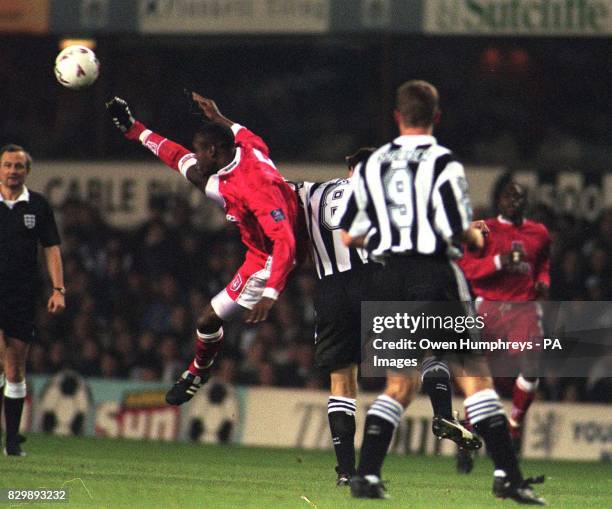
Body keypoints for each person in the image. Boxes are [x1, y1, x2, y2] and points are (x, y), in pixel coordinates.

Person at [340, 80, 545, 504]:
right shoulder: (442, 161)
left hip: (390, 280)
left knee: (399, 383)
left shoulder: (375, 163)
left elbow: (349, 235)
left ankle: (365, 475)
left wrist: (387, 237)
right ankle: (508, 475)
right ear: (436, 116)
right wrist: (474, 235)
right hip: (434, 274)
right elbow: (455, 228)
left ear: (396, 117)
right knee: (475, 376)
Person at [299, 148, 480, 487]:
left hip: (331, 291)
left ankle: (344, 472)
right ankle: (442, 413)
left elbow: (269, 188)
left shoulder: (312, 191)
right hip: (377, 282)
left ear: (348, 167)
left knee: (342, 384)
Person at [106, 93, 299, 405]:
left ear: (213, 151)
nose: (195, 156)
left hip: (272, 254)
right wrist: (136, 128)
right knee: (207, 321)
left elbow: (285, 240)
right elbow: (182, 154)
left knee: (209, 319)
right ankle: (199, 370)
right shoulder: (247, 146)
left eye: (200, 150)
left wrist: (270, 293)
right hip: (290, 226)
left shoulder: (251, 187)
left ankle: (197, 371)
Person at [457, 181, 550, 471]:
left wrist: (543, 283)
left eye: (519, 197)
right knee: (484, 378)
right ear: (499, 202)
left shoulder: (539, 232)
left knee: (532, 365)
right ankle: (468, 432)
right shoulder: (484, 229)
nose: (514, 201)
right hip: (490, 307)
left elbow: (543, 264)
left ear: (525, 202)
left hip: (524, 308)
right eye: (508, 197)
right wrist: (500, 260)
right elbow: (468, 268)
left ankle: (514, 426)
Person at [0, 144, 66, 456]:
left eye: (18, 166)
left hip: (22, 296)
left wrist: (58, 289)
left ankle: (12, 441)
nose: (13, 171)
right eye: (7, 165)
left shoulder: (37, 206)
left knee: (15, 369)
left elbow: (51, 247)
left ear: (27, 171)